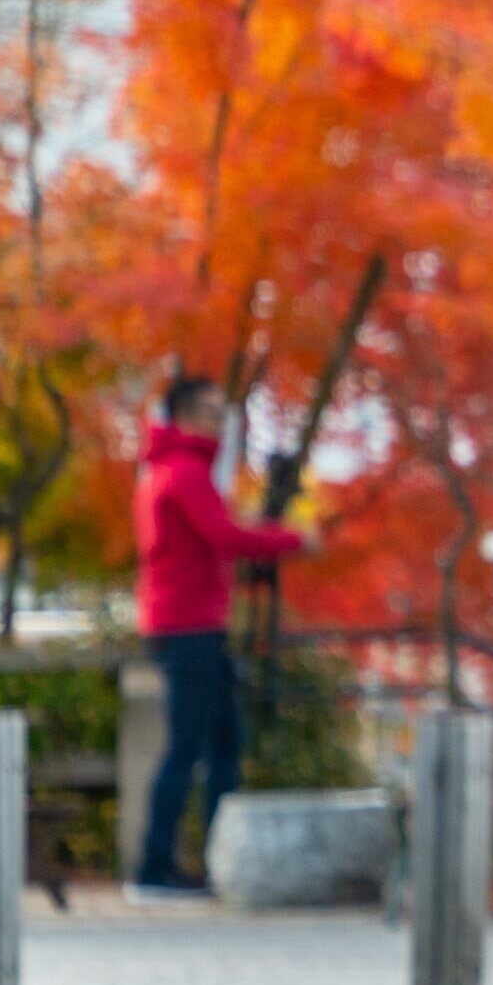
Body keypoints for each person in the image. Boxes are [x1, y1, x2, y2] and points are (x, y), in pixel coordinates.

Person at [130, 374, 308, 899]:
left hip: (191, 623)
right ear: (184, 415)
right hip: (188, 626)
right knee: (192, 746)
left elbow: (215, 532)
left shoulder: (174, 471)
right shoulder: (182, 472)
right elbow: (224, 536)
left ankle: (208, 862)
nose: (217, 422)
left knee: (220, 743)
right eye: (210, 412)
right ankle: (155, 868)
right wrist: (293, 539)